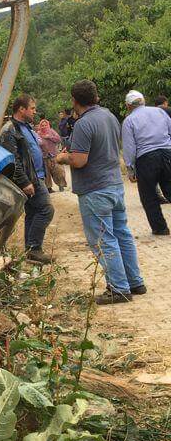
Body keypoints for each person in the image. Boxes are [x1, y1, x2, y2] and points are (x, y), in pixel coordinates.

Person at [56, 80, 145, 304]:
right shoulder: (109, 116)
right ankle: (135, 282)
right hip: (115, 185)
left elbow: (79, 160)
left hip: (95, 189)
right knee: (122, 234)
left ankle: (118, 288)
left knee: (103, 240)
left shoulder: (84, 124)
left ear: (74, 101)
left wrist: (62, 157)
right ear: (96, 97)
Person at [0, 94, 54, 264]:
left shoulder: (27, 127)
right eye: (32, 108)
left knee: (33, 213)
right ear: (21, 109)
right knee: (46, 210)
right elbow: (12, 158)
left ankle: (30, 251)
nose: (35, 112)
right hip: (31, 179)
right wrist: (24, 181)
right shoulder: (10, 130)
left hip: (37, 177)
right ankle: (35, 249)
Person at [121, 89, 171, 235]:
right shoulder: (159, 112)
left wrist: (130, 169)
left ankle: (160, 228)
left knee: (148, 195)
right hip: (167, 154)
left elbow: (129, 148)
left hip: (146, 159)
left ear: (128, 106)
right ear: (143, 101)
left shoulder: (129, 121)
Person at [36, 118, 68, 191]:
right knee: (46, 174)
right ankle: (49, 188)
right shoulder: (38, 134)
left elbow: (58, 139)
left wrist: (49, 137)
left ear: (48, 125)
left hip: (53, 155)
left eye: (45, 125)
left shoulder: (51, 131)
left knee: (59, 170)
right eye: (42, 125)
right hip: (44, 157)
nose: (44, 126)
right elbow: (37, 143)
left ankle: (61, 186)